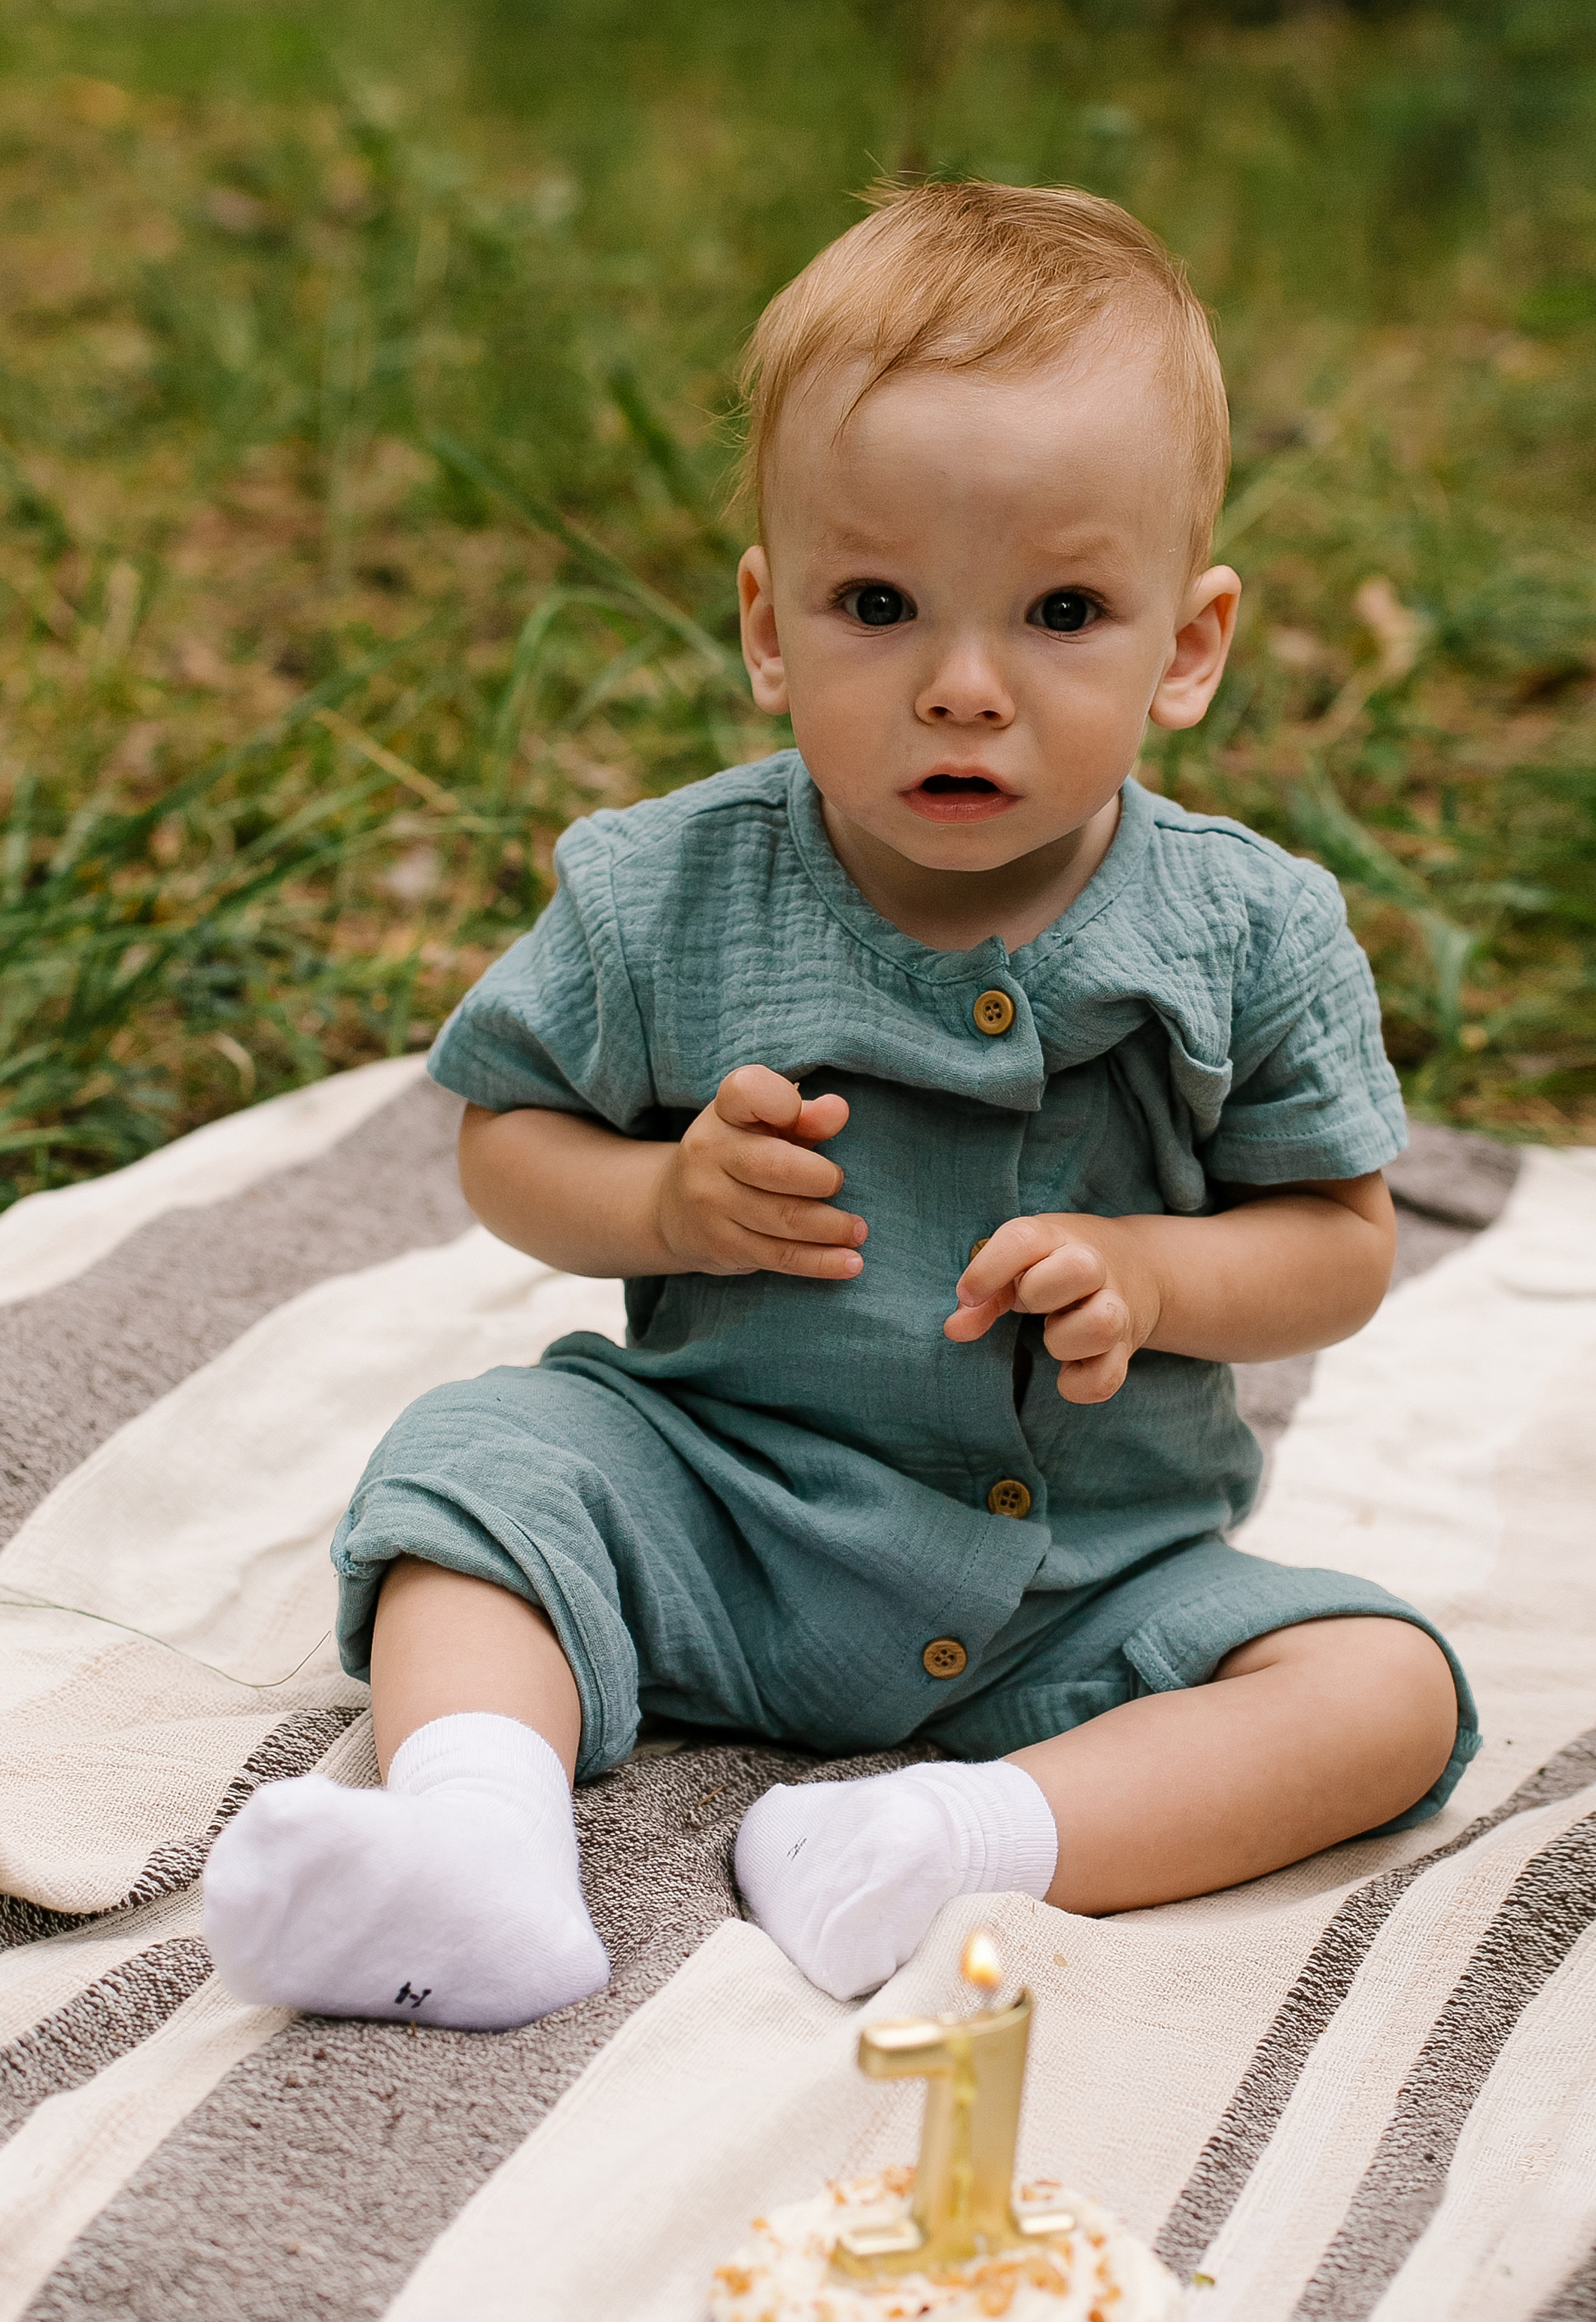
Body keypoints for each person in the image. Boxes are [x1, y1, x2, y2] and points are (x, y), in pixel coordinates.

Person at [204, 181, 1474, 2032]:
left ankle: (976, 1835)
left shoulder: (1248, 930)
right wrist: (659, 1206)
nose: (965, 689)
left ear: (1187, 647)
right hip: (718, 1508)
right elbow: (504, 1139)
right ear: (771, 624)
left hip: (1085, 1580)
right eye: (879, 604)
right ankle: (473, 1844)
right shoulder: (668, 890)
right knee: (474, 1472)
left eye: (1062, 611)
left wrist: (1162, 1271)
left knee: (1383, 1687)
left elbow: (1342, 1245)